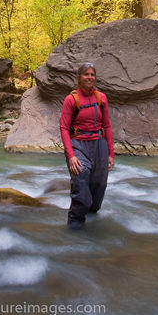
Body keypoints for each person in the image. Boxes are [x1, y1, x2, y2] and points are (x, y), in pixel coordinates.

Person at [59, 62, 114, 229]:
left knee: (100, 184)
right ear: (78, 77)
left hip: (99, 144)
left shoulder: (101, 98)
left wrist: (111, 153)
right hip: (78, 144)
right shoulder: (71, 99)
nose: (90, 77)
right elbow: (63, 127)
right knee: (81, 175)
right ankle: (75, 223)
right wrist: (71, 156)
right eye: (86, 74)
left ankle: (92, 215)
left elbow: (107, 126)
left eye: (92, 74)